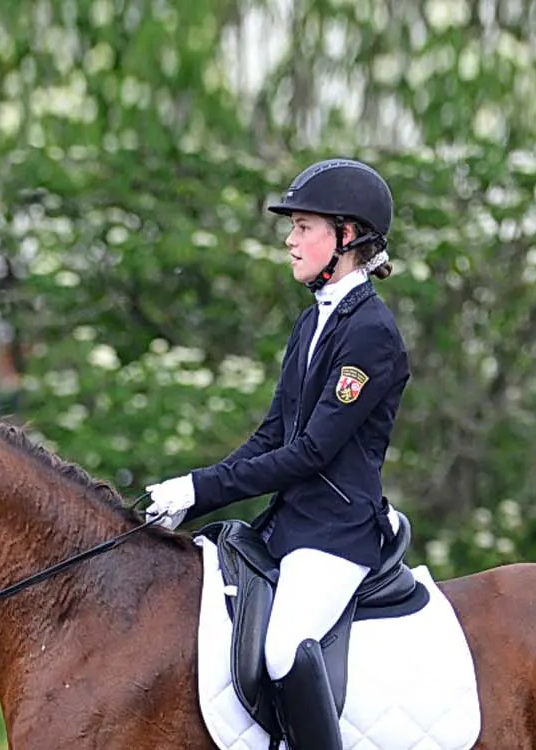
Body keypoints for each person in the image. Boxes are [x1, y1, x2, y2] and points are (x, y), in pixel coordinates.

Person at [144, 157, 409, 749]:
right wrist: (193, 493)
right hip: (289, 525)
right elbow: (272, 438)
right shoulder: (311, 323)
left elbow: (312, 452)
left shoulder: (371, 333)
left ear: (347, 236)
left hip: (337, 532)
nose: (290, 240)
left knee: (286, 646)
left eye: (304, 227)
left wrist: (202, 489)